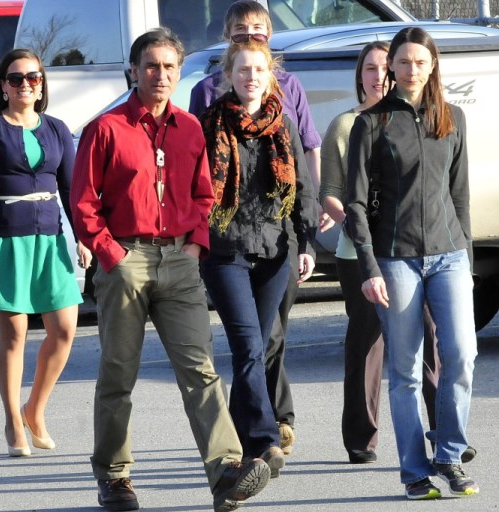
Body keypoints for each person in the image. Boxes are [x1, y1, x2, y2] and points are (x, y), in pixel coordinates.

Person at [72, 27, 271, 512]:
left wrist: (196, 245)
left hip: (180, 261)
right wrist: (111, 254)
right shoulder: (106, 128)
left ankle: (226, 471)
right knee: (118, 374)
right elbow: (82, 202)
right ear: (135, 72)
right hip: (126, 260)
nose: (160, 75)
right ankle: (115, 478)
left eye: (169, 67)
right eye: (151, 66)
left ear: (179, 73)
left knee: (200, 371)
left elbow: (205, 195)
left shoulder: (188, 128)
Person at [345, 26, 479, 500]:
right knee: (405, 370)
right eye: (403, 62)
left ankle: (449, 454)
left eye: (420, 62)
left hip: (448, 258)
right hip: (395, 260)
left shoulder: (453, 118)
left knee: (462, 356)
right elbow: (355, 204)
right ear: (392, 68)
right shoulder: (371, 124)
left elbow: (458, 196)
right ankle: (414, 471)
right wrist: (369, 268)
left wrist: (464, 258)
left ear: (432, 65)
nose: (411, 70)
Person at [190, 0, 327, 455]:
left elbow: (303, 188)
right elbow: (193, 187)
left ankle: (242, 431)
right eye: (242, 69)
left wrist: (306, 243)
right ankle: (264, 440)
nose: (250, 77)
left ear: (271, 77)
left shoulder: (283, 125)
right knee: (248, 346)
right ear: (228, 75)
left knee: (264, 345)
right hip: (225, 250)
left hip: (276, 250)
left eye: (258, 70)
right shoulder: (207, 125)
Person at [0, 48, 91, 457]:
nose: (26, 85)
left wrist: (82, 236)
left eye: (34, 78)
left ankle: (34, 409)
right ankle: (13, 420)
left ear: (42, 84)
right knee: (13, 334)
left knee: (65, 330)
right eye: (16, 79)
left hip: (49, 241)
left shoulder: (55, 128)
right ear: (3, 86)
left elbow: (71, 189)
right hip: (2, 240)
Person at [319, 42, 445, 465]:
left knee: (428, 342)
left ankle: (443, 434)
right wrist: (363, 231)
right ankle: (361, 438)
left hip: (409, 251)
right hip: (359, 255)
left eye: (382, 69)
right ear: (360, 76)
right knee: (367, 344)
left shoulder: (409, 120)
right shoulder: (345, 125)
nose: (378, 77)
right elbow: (331, 195)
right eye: (369, 69)